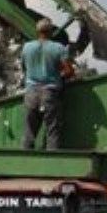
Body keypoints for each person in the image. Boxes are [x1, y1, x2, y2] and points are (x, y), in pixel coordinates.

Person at [21, 17, 73, 150]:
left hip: (31, 93)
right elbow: (69, 71)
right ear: (50, 31)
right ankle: (52, 162)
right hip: (50, 93)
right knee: (52, 130)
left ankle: (24, 161)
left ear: (37, 31)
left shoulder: (27, 47)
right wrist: (58, 76)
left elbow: (24, 68)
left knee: (29, 132)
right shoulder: (58, 48)